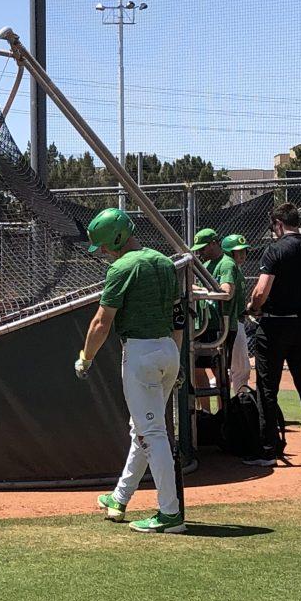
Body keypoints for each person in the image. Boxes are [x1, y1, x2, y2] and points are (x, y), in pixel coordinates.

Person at [77, 207, 185, 533]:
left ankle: (170, 514)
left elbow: (101, 322)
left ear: (117, 239)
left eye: (106, 246)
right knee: (142, 429)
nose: (105, 253)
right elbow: (179, 317)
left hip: (140, 354)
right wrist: (176, 359)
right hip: (168, 349)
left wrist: (86, 357)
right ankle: (119, 499)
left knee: (152, 433)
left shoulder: (121, 269)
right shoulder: (165, 262)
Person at [244, 202, 301, 467]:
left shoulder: (274, 250)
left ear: (279, 224)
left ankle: (268, 450)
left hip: (275, 326)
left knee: (268, 388)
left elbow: (261, 290)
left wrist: (253, 307)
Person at [190, 228, 224, 412]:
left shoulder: (225, 263)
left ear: (214, 243)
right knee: (196, 369)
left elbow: (226, 292)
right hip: (202, 324)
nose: (201, 252)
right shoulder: (207, 265)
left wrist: (200, 292)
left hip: (215, 325)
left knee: (218, 370)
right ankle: (205, 412)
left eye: (204, 247)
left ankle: (222, 413)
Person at [219, 234, 252, 393]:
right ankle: (241, 400)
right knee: (240, 368)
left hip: (236, 320)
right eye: (237, 251)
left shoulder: (234, 267)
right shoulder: (228, 265)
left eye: (244, 251)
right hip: (232, 322)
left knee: (235, 368)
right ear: (228, 252)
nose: (242, 254)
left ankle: (240, 399)